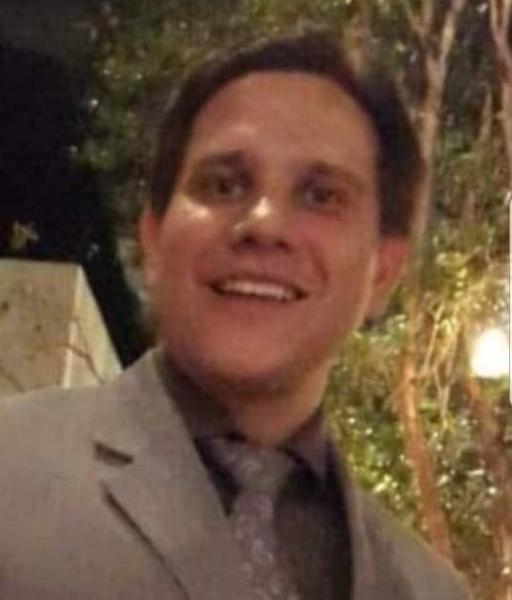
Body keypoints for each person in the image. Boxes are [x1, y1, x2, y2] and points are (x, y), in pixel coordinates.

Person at [0, 32, 472, 600]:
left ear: (383, 272)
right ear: (152, 238)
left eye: (321, 195)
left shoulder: (432, 589)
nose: (264, 224)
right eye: (224, 184)